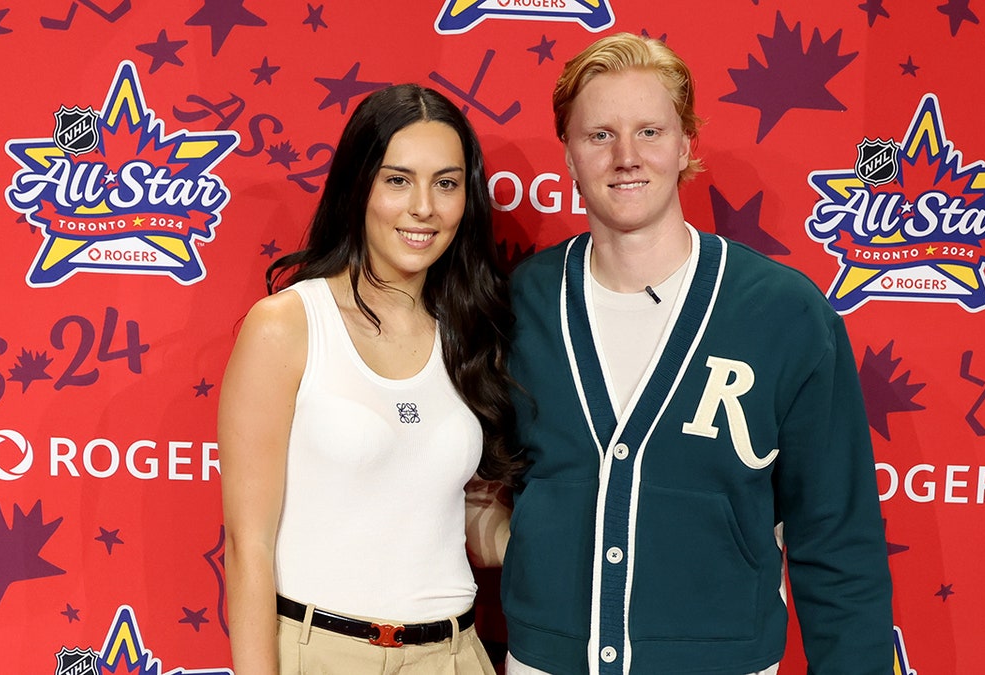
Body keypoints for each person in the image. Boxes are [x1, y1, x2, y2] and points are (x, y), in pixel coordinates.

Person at [499, 33, 894, 674]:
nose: (626, 157)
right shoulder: (521, 303)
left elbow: (837, 537)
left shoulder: (784, 313)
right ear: (567, 153)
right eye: (599, 135)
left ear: (686, 144)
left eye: (649, 131)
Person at [218, 83, 519, 675]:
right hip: (321, 653)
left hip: (455, 656)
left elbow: (456, 516)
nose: (424, 207)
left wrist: (578, 533)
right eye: (398, 179)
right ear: (359, 187)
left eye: (447, 183)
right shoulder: (288, 326)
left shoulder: (473, 331)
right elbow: (246, 545)